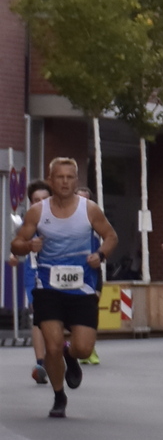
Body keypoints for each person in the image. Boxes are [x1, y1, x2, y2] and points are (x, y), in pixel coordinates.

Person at [9, 157, 117, 418]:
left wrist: (100, 255)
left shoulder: (89, 209)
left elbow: (111, 236)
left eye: (70, 177)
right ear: (51, 180)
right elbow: (16, 244)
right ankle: (59, 396)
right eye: (60, 177)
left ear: (76, 181)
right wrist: (28, 247)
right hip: (47, 286)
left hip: (82, 286)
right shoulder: (38, 211)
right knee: (52, 345)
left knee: (83, 348)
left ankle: (72, 357)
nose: (65, 182)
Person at [17, 177, 50, 383]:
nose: (39, 203)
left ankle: (61, 351)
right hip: (34, 274)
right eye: (35, 200)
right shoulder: (28, 222)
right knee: (38, 318)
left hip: (58, 274)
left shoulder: (62, 218)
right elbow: (19, 243)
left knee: (57, 320)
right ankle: (41, 364)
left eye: (43, 199)